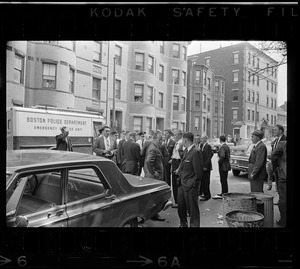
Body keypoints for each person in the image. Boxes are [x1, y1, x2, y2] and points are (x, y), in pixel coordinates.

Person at [175, 132, 203, 227]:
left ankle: (194, 225)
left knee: (192, 209)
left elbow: (199, 173)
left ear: (185, 140)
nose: (181, 141)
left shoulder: (196, 152)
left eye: (182, 139)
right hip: (182, 184)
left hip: (190, 186)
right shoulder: (186, 150)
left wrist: (193, 183)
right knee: (181, 207)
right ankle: (183, 224)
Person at [144, 130, 165, 221]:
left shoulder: (155, 146)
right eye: (160, 140)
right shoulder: (153, 148)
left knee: (153, 196)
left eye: (162, 140)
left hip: (153, 176)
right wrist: (154, 172)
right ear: (155, 139)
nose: (161, 142)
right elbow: (149, 161)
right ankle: (154, 215)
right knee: (154, 196)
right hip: (154, 177)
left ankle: (153, 214)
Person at [271, 140, 287, 226]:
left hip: (284, 176)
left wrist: (276, 167)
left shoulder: (283, 144)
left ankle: (283, 220)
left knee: (283, 200)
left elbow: (273, 156)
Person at [212, 135, 231, 199]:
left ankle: (224, 193)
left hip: (223, 166)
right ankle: (225, 192)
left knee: (223, 180)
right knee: (224, 180)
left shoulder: (223, 147)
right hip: (226, 165)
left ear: (220, 140)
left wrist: (219, 161)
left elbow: (222, 156)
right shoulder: (226, 146)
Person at [270, 125, 287, 191]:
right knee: (278, 183)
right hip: (276, 165)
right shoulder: (276, 140)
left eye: (275, 130)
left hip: (282, 166)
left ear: (280, 131)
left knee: (282, 185)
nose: (274, 131)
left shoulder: (285, 139)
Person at [170, 130, 184, 208]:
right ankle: (177, 201)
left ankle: (179, 202)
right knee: (174, 183)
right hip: (175, 161)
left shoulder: (181, 143)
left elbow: (182, 157)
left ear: (179, 135)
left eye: (175, 135)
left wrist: (178, 168)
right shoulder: (177, 143)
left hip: (178, 163)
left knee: (177, 183)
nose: (174, 137)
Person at [198, 135, 213, 201]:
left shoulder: (208, 146)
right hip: (201, 166)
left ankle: (207, 195)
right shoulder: (201, 145)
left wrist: (205, 166)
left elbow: (208, 157)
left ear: (205, 139)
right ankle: (202, 193)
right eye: (200, 138)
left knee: (206, 181)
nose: (200, 139)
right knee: (203, 181)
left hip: (206, 167)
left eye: (202, 138)